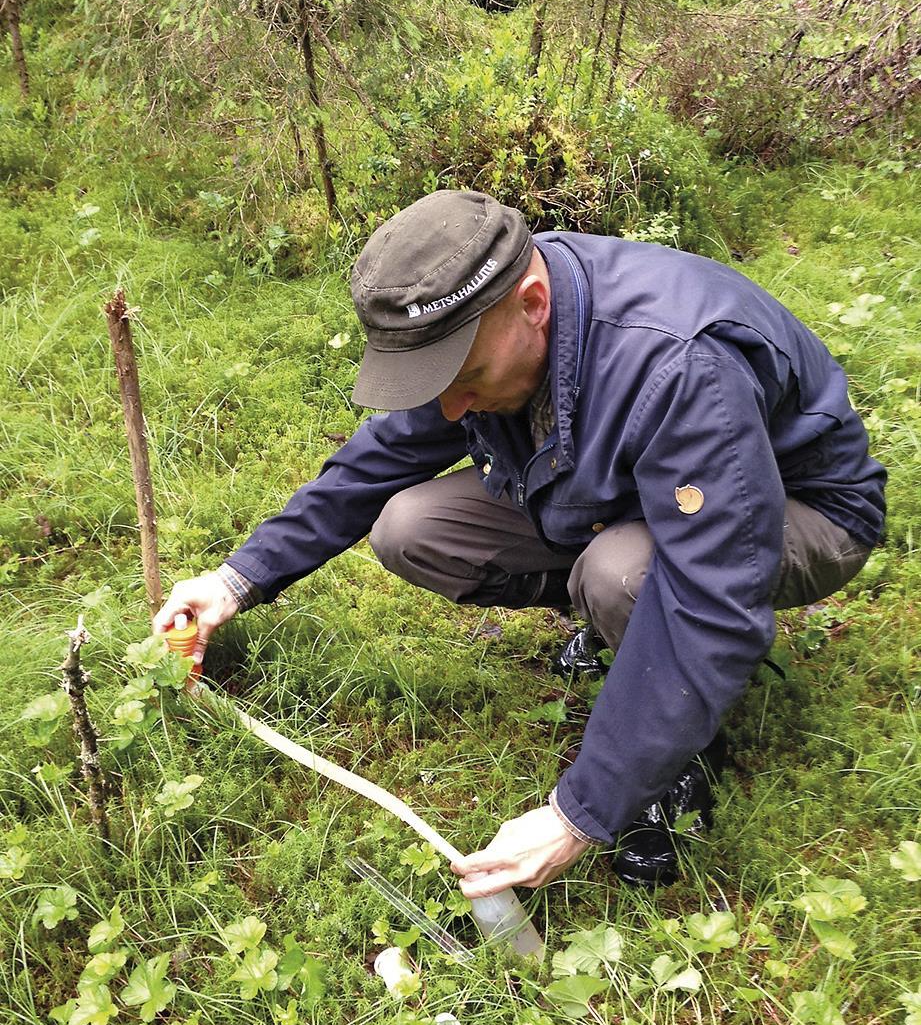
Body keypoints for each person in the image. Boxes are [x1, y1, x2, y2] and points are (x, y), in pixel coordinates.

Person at [153, 189, 886, 900]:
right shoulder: (491, 325)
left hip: (800, 509)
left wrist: (578, 814)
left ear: (532, 305)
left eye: (463, 378)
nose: (449, 408)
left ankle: (671, 762)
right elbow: (378, 461)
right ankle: (619, 630)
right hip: (627, 491)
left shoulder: (677, 365)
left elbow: (715, 598)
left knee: (623, 573)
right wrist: (237, 579)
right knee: (412, 527)